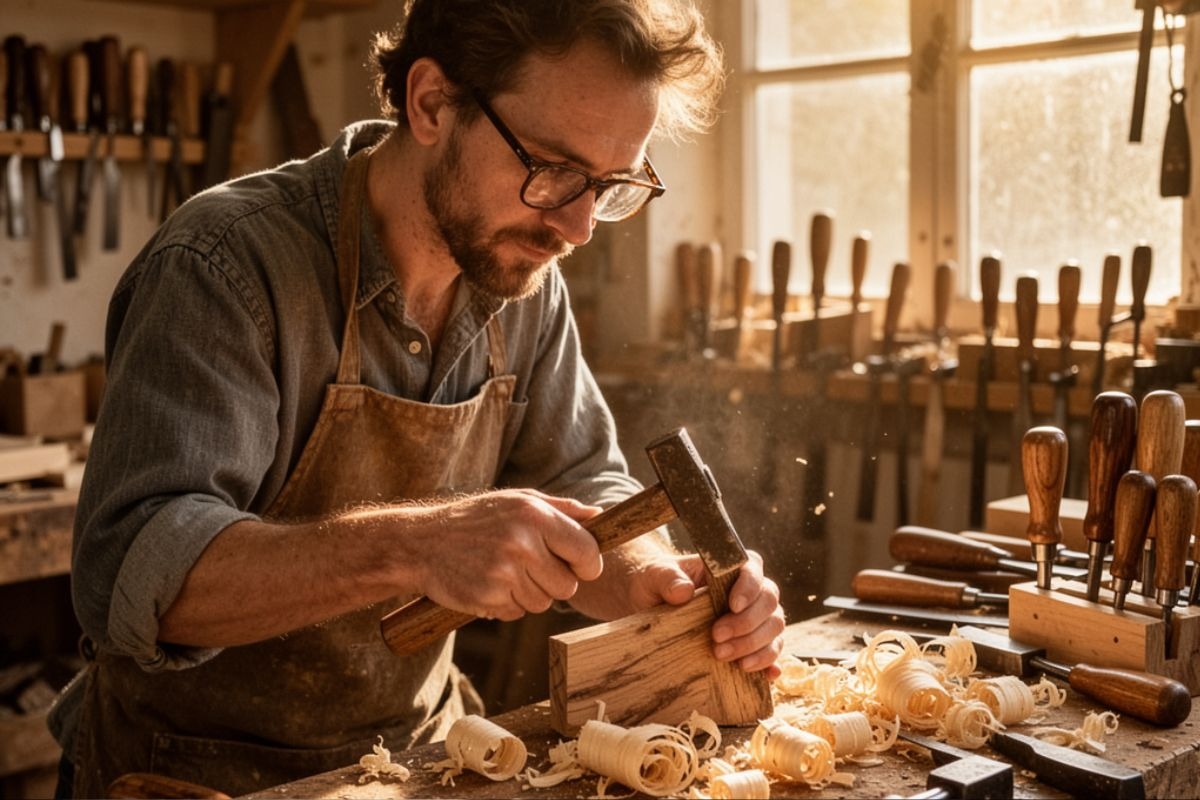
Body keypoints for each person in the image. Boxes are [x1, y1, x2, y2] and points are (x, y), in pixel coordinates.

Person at [49, 1, 786, 796]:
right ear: (431, 102)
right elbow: (133, 575)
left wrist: (646, 581)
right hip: (192, 771)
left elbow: (585, 484)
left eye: (609, 186)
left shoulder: (522, 272)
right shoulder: (225, 265)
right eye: (553, 170)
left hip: (419, 759)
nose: (577, 228)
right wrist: (415, 546)